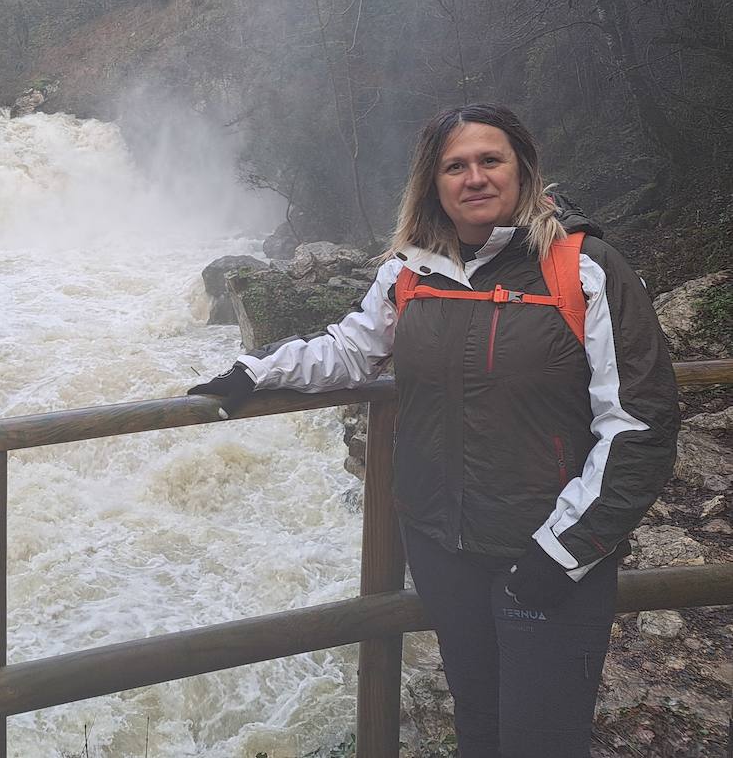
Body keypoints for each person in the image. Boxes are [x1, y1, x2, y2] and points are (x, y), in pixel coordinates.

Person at [190, 104, 678, 758]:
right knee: (478, 725)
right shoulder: (410, 269)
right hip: (442, 549)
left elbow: (639, 423)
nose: (474, 177)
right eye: (455, 166)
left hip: (545, 551)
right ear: (433, 183)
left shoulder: (583, 268)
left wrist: (563, 551)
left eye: (490, 160)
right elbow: (351, 350)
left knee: (542, 741)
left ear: (523, 170)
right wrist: (255, 371)